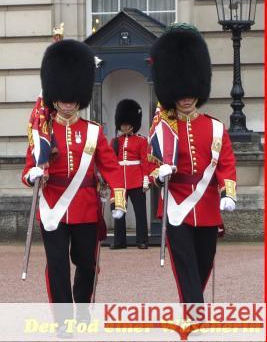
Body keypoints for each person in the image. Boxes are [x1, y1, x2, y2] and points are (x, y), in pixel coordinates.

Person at [22, 40, 126, 309]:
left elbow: (111, 166)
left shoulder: (93, 131)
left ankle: (81, 307)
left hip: (85, 206)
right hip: (52, 206)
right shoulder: (42, 131)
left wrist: (119, 198)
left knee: (87, 264)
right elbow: (27, 170)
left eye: (72, 99)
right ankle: (64, 318)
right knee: (57, 266)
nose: (67, 104)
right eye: (62, 98)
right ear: (54, 96)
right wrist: (33, 174)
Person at [148, 23, 237, 303]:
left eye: (190, 92)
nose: (186, 98)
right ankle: (194, 313)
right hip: (176, 205)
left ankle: (191, 302)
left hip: (207, 204)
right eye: (181, 93)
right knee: (185, 263)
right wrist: (158, 174)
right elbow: (148, 165)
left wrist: (228, 192)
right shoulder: (163, 127)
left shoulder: (215, 128)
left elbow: (226, 163)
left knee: (204, 261)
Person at [110, 99, 149, 249]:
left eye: (127, 124)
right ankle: (120, 241)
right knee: (119, 211)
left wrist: (146, 179)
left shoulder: (141, 141)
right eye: (122, 124)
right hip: (119, 181)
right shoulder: (115, 141)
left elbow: (145, 161)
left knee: (140, 212)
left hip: (136, 180)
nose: (124, 127)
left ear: (133, 124)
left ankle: (142, 240)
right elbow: (110, 162)